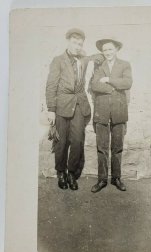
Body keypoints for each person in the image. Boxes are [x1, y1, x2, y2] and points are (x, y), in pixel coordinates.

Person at [46, 28, 104, 190]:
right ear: (68, 41)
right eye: (74, 43)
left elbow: (95, 57)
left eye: (80, 44)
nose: (77, 46)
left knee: (78, 141)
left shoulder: (83, 60)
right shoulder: (58, 60)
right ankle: (60, 173)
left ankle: (71, 173)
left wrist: (103, 56)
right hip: (61, 106)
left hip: (79, 105)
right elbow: (51, 86)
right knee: (61, 142)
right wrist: (51, 109)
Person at [91, 38, 133, 193]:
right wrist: (113, 88)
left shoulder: (125, 65)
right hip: (101, 111)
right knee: (101, 148)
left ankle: (116, 178)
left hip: (119, 111)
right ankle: (102, 180)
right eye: (105, 50)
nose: (107, 52)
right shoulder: (98, 66)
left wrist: (108, 80)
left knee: (117, 148)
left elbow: (127, 83)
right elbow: (94, 85)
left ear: (116, 49)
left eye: (110, 49)